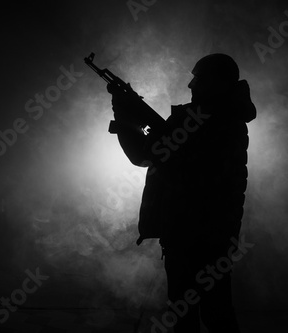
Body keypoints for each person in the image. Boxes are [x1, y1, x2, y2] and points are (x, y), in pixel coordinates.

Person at [108, 53, 256, 333]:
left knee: (187, 314)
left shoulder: (202, 120)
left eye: (198, 79)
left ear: (215, 82)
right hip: (215, 234)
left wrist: (124, 112)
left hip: (189, 234)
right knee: (216, 311)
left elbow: (146, 155)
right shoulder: (227, 118)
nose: (191, 85)